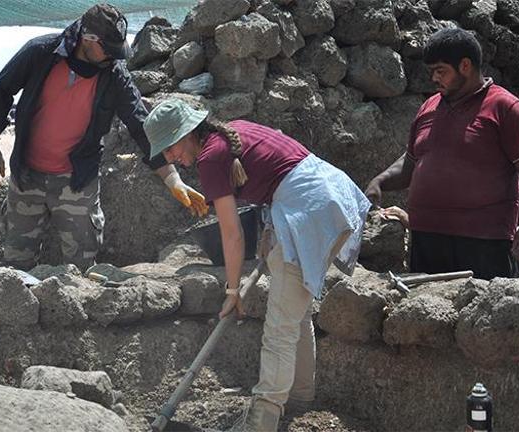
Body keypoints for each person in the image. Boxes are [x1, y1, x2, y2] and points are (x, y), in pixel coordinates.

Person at [143, 99, 371, 431]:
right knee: (296, 311)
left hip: (308, 208)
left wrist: (233, 290)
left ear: (189, 132)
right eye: (164, 153)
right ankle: (301, 399)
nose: (171, 158)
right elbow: (275, 176)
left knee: (279, 327)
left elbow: (231, 234)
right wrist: (270, 231)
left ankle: (262, 420)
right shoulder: (232, 131)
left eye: (171, 146)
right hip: (329, 195)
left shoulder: (211, 157)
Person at [0, 3, 207, 272]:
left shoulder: (114, 74)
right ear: (87, 39)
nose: (113, 57)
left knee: (82, 269)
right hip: (26, 175)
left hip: (77, 181)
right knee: (16, 266)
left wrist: (172, 179)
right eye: (107, 51)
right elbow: (1, 89)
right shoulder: (41, 52)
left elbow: (139, 125)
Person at [365, 28, 519, 280]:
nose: (434, 78)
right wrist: (380, 181)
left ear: (465, 65)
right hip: (427, 240)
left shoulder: (505, 108)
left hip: (483, 242)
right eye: (431, 72)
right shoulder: (429, 107)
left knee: (479, 315)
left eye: (440, 70)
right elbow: (412, 162)